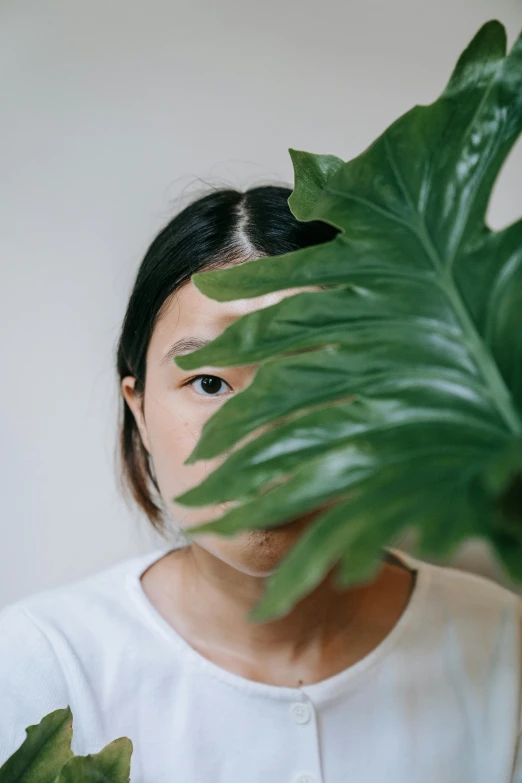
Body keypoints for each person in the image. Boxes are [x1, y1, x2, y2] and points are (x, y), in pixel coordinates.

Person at [0, 184, 521, 783]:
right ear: (138, 409)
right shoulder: (43, 666)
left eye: (308, 381)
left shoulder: (505, 646)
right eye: (211, 383)